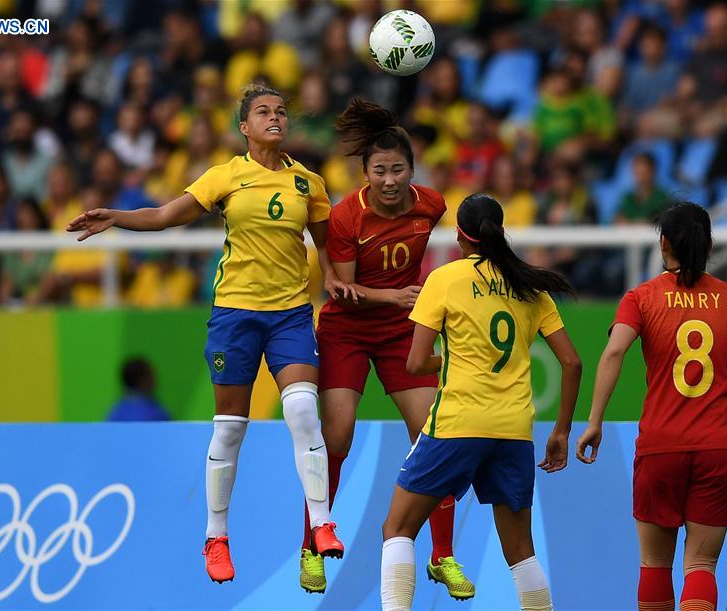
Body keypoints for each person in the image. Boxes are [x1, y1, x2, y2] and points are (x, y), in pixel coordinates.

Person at [68, 84, 351, 583]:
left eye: (281, 111)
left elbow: (325, 244)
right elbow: (163, 216)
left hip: (289, 314)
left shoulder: (310, 183)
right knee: (231, 428)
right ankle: (216, 536)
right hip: (235, 314)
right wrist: (116, 217)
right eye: (263, 112)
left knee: (303, 411)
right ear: (244, 127)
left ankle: (323, 523)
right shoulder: (226, 177)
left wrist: (330, 275)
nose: (275, 118)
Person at [297, 99, 473, 598]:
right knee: (336, 435)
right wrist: (396, 294)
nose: (389, 179)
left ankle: (443, 556)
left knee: (433, 436)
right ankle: (312, 547)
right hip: (348, 328)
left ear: (413, 171)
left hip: (400, 329)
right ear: (365, 173)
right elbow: (344, 289)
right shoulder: (347, 216)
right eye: (379, 170)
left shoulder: (433, 205)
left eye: (398, 169)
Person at [380, 193, 582, 611]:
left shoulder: (445, 278)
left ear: (460, 236)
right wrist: (561, 430)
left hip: (457, 423)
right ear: (501, 232)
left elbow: (416, 364)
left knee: (397, 529)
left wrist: (455, 355)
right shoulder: (530, 286)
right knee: (522, 553)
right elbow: (572, 362)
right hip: (513, 432)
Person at [576, 203, 727, 611]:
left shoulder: (642, 298)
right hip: (719, 448)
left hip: (660, 445)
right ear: (709, 244)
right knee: (701, 564)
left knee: (654, 564)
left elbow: (613, 353)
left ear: (664, 244)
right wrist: (722, 402)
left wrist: (594, 420)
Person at [108, 357, 170, 421]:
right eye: (150, 374)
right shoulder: (151, 413)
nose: (155, 379)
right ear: (141, 379)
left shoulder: (115, 411)